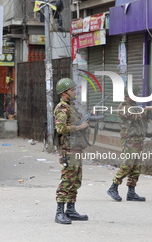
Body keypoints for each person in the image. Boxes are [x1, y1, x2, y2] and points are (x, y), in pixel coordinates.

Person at [107, 86, 152, 202]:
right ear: (128, 95)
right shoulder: (123, 107)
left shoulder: (135, 107)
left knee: (136, 167)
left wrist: (151, 111)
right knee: (128, 165)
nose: (138, 96)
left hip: (139, 139)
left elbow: (143, 117)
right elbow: (135, 116)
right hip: (129, 140)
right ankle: (113, 187)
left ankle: (131, 192)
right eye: (135, 94)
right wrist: (148, 109)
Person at [54, 78, 89, 225]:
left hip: (76, 149)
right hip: (68, 150)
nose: (75, 92)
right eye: (73, 90)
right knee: (67, 180)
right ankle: (59, 212)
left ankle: (71, 210)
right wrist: (80, 128)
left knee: (76, 181)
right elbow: (60, 128)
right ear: (64, 92)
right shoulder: (62, 108)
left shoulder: (72, 107)